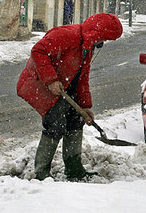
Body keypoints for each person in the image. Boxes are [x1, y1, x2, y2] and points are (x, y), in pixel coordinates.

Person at [17, 13, 123, 181]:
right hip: (41, 84)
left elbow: (82, 78)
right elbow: (38, 51)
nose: (103, 42)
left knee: (76, 121)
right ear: (96, 33)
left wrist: (85, 106)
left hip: (64, 87)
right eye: (104, 38)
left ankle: (74, 169)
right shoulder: (67, 35)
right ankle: (41, 173)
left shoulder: (87, 47)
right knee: (56, 124)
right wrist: (51, 79)